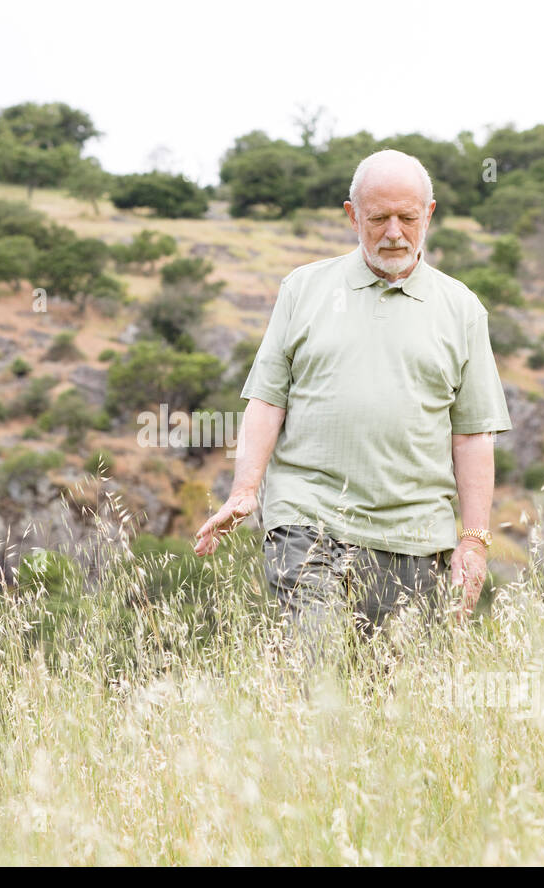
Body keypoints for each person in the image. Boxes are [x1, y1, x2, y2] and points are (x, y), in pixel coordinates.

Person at [193, 149, 512, 668]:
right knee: (311, 672)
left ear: (429, 215)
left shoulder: (463, 310)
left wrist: (473, 541)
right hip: (307, 517)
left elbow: (474, 435)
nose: (393, 233)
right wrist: (244, 490)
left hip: (414, 536)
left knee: (389, 703)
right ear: (351, 216)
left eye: (407, 218)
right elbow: (267, 397)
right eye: (377, 218)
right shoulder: (303, 288)